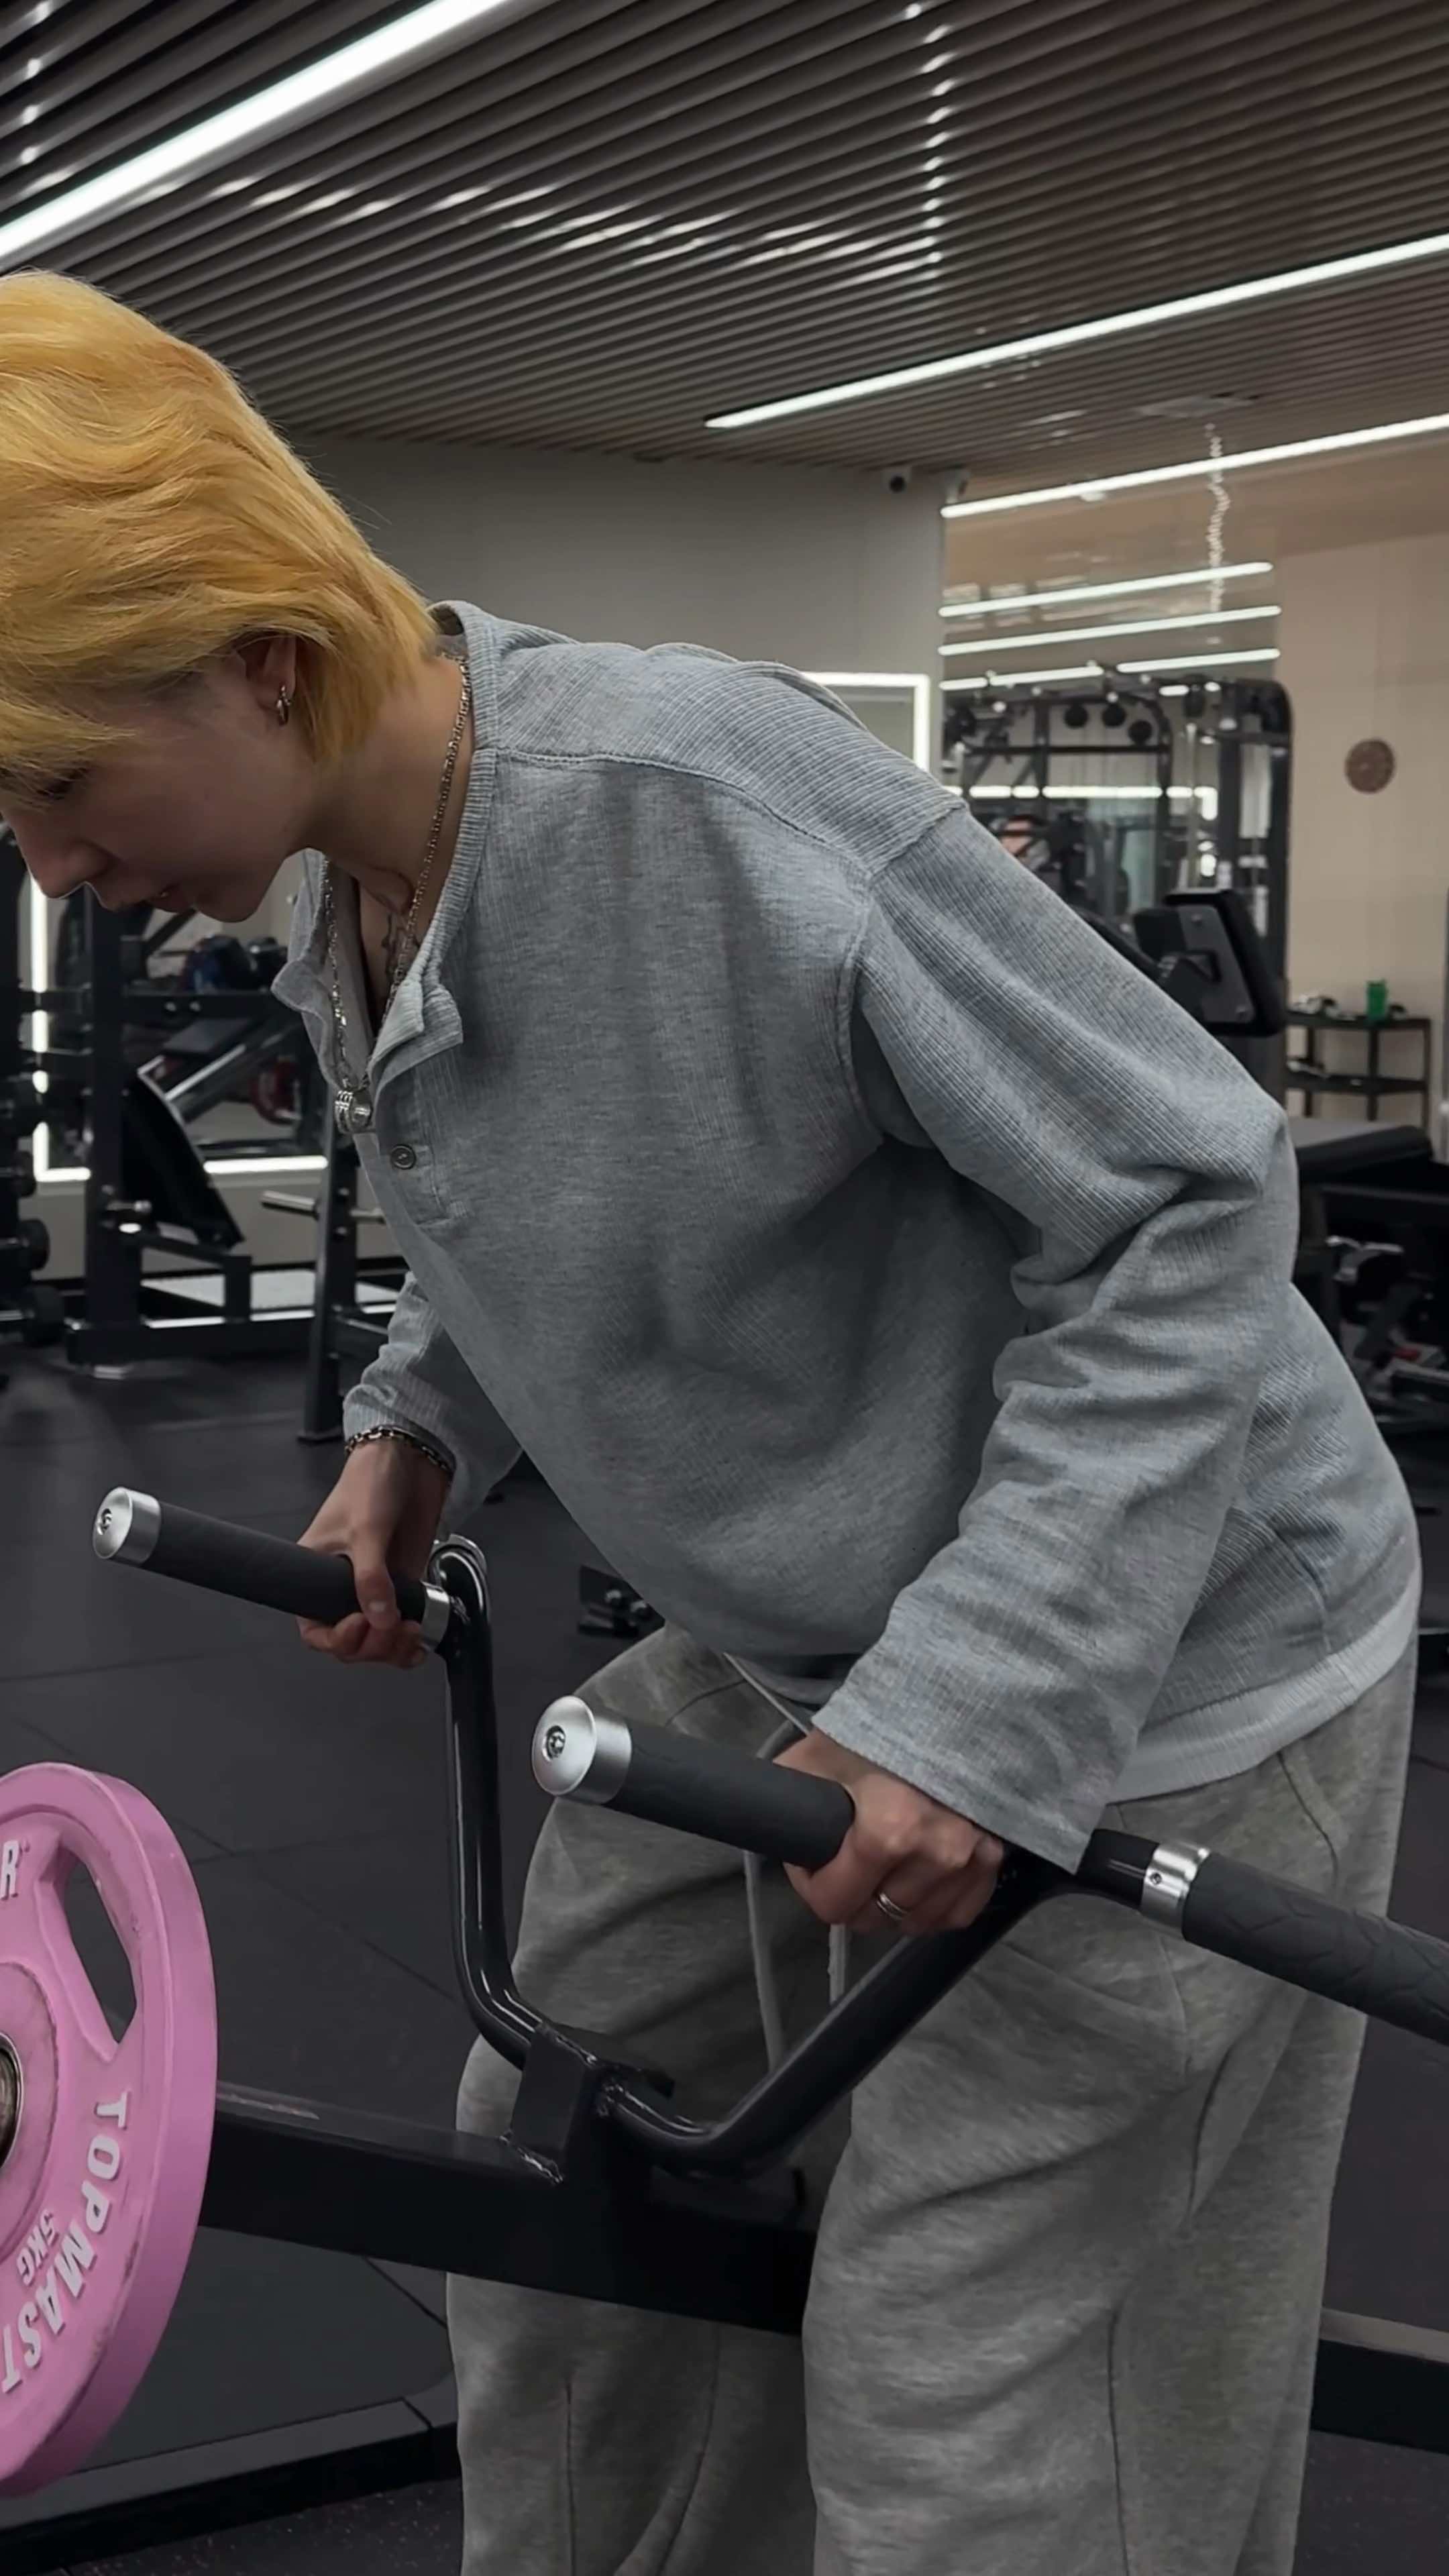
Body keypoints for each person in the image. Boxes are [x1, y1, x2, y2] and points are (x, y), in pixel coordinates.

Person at [0, 272, 1422, 2576]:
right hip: (790, 1646)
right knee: (567, 2196)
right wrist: (416, 1426)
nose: (47, 865)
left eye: (57, 784)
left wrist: (982, 1704)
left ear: (260, 658)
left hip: (1164, 1672)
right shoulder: (350, 875)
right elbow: (536, 1182)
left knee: (970, 2384)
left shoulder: (692, 798)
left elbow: (1187, 1188)